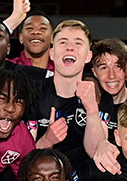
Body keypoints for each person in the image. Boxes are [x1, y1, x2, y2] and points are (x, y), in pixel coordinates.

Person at [29, 20, 107, 170]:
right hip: (41, 179)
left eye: (78, 43)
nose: (70, 47)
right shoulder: (33, 93)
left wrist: (91, 109)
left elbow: (95, 152)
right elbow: (25, 161)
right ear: (52, 53)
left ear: (88, 56)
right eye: (63, 42)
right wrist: (46, 141)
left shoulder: (101, 96)